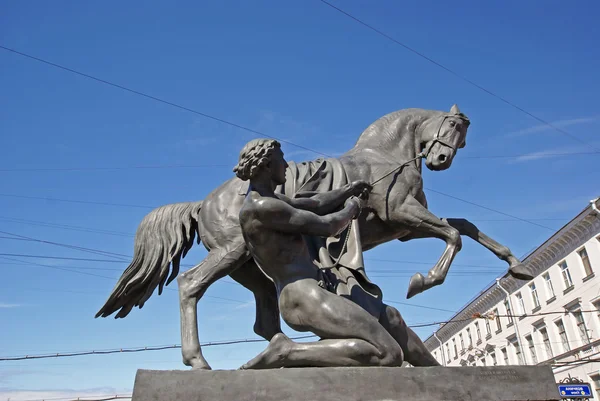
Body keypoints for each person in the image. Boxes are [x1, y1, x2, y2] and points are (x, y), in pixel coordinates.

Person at [235, 138, 438, 368]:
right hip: (302, 297)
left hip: (316, 289)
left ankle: (442, 377)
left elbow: (315, 203)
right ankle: (288, 351)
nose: (287, 165)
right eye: (282, 160)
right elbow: (326, 225)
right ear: (267, 165)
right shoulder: (261, 207)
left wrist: (347, 190)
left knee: (391, 318)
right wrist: (353, 208)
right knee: (388, 354)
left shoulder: (274, 200)